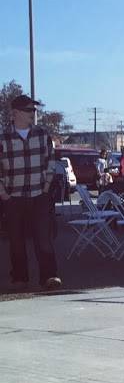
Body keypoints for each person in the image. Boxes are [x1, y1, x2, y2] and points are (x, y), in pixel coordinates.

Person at [0, 94, 61, 289]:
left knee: (44, 239)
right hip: (13, 198)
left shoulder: (42, 135)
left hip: (39, 196)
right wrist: (4, 194)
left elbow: (51, 162)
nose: (32, 113)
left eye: (34, 110)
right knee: (16, 241)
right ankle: (20, 278)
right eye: (28, 110)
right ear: (15, 112)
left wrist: (46, 187)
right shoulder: (3, 138)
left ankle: (49, 277)